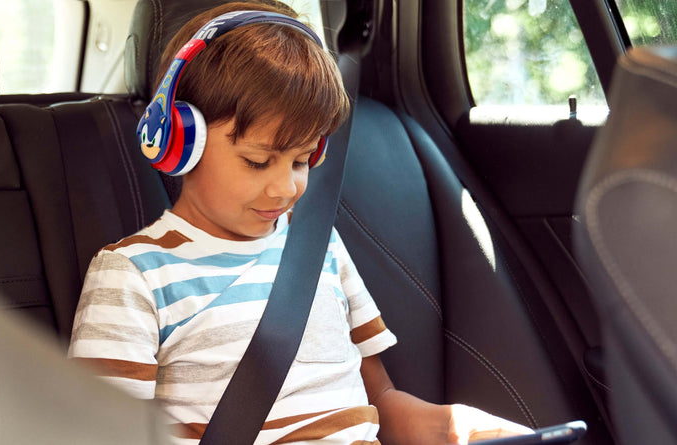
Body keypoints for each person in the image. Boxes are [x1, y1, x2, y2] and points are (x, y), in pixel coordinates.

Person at [68, 1, 532, 443]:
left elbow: (382, 405)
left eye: (302, 159)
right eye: (257, 161)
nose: (287, 188)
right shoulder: (133, 276)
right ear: (178, 142)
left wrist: (453, 429)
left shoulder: (318, 247)